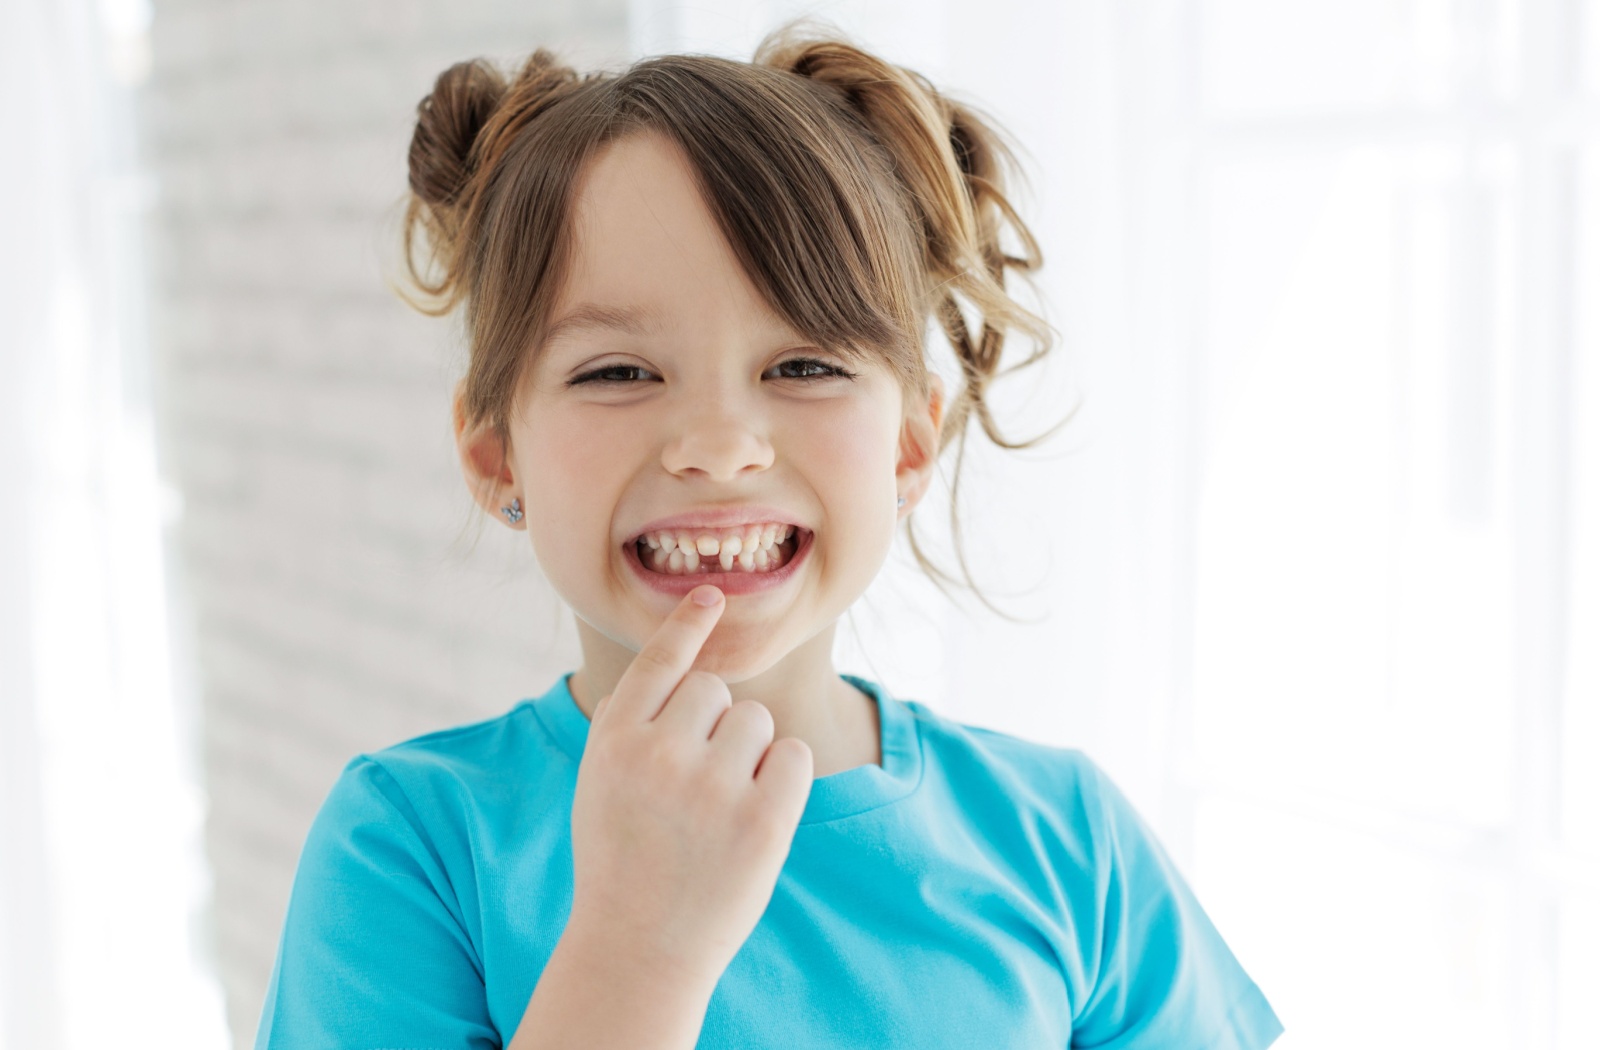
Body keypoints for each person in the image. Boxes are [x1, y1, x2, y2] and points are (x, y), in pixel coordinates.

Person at [254, 25, 1283, 1050]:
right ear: (496, 459)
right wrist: (637, 945)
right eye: (616, 372)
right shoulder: (411, 846)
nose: (718, 447)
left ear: (908, 446)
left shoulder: (1066, 839)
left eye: (803, 367)